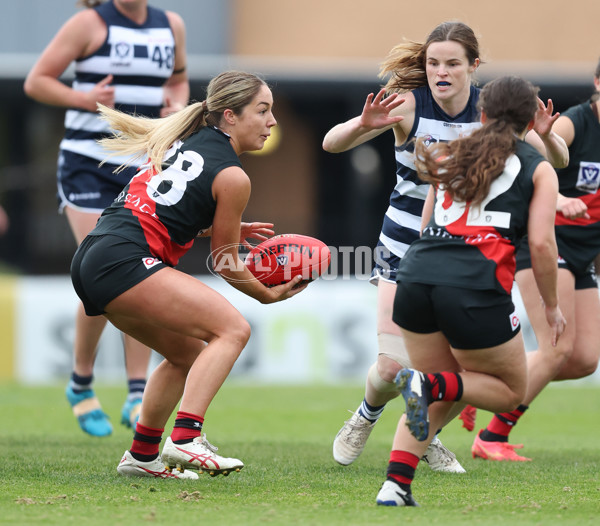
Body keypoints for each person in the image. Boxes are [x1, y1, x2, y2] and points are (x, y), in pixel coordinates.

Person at [322, 21, 566, 473]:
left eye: (452, 63)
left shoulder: (490, 111)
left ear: (473, 66)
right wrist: (362, 124)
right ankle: (366, 414)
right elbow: (330, 144)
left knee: (453, 371)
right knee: (394, 368)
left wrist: (548, 135)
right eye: (433, 63)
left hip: (465, 257)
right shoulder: (409, 105)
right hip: (402, 247)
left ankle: (423, 434)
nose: (441, 72)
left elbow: (554, 162)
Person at [70, 70, 308, 479]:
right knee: (234, 330)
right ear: (230, 117)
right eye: (263, 110)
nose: (272, 122)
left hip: (96, 256)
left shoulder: (181, 142)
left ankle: (142, 456)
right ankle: (186, 439)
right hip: (123, 260)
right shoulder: (233, 176)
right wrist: (266, 295)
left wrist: (219, 227)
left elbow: (165, 211)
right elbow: (227, 262)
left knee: (187, 356)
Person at [374, 75, 566, 507]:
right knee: (509, 391)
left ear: (481, 113)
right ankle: (424, 395)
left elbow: (426, 227)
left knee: (439, 389)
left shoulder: (447, 153)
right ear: (532, 121)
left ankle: (395, 486)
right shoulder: (537, 168)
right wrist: (551, 307)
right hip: (474, 284)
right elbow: (540, 244)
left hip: (416, 276)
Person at [23, 0, 189, 437]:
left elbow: (178, 80)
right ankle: (81, 381)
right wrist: (84, 98)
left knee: (139, 274)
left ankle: (137, 391)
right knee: (102, 268)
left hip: (141, 163)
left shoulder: (171, 25)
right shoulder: (88, 24)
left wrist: (178, 106)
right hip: (86, 162)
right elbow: (36, 82)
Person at [470, 59, 600, 461]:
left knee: (583, 360)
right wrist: (560, 200)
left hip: (583, 255)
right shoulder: (573, 123)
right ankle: (491, 437)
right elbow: (528, 164)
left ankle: (480, 387)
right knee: (557, 348)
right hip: (546, 242)